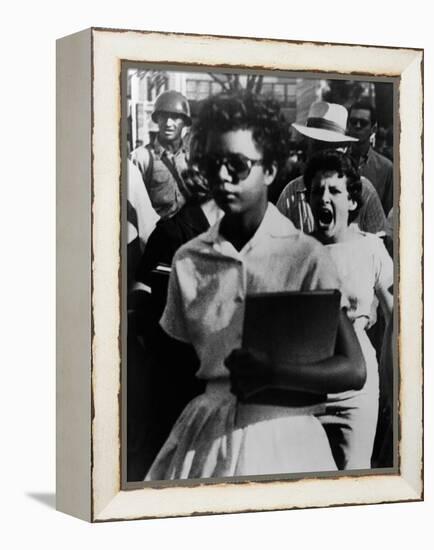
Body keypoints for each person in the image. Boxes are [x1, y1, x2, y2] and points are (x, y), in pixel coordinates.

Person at [145, 91, 365, 481]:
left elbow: (352, 369)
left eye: (238, 164)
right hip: (206, 441)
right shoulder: (189, 259)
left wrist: (274, 372)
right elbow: (173, 374)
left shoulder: (304, 255)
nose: (223, 178)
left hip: (287, 439)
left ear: (270, 170)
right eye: (214, 164)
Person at [304, 149, 393, 469]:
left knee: (353, 480)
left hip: (357, 391)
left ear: (353, 202)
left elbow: (395, 311)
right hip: (306, 391)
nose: (324, 198)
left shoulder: (371, 248)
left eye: (334, 191)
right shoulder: (295, 251)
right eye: (317, 191)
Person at [276, 101, 386, 235]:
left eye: (330, 148)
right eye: (318, 146)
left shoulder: (364, 192)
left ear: (345, 149)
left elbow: (380, 241)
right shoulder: (291, 194)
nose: (324, 156)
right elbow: (276, 246)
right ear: (308, 147)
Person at [130, 90, 192, 219]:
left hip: (190, 236)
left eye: (175, 117)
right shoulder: (141, 158)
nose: (168, 123)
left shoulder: (192, 158)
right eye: (163, 116)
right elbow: (132, 208)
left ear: (184, 121)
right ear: (157, 119)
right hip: (158, 236)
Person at [347, 100, 394, 216]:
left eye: (363, 123)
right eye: (353, 122)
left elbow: (389, 215)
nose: (357, 126)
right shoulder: (337, 162)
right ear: (348, 125)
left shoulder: (386, 168)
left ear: (373, 128)